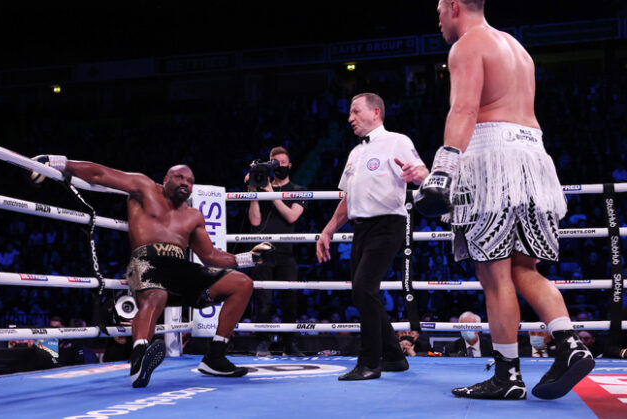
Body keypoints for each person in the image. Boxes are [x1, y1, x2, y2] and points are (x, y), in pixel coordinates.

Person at [418, 0, 594, 399]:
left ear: (456, 6)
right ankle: (569, 343)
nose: (439, 18)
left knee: (495, 277)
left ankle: (507, 376)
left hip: (492, 162)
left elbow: (464, 109)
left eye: (441, 10)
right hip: (534, 160)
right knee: (524, 270)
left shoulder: (467, 44)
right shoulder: (518, 48)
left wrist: (443, 170)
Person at [32, 156, 272, 387]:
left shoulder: (193, 216)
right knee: (156, 295)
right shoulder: (144, 187)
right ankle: (139, 358)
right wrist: (57, 162)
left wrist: (248, 258)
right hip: (146, 260)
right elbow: (99, 174)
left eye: (190, 182)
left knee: (241, 283)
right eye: (179, 178)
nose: (185, 184)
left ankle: (215, 358)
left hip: (182, 269)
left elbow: (210, 256)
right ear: (166, 179)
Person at [316, 92, 428, 380]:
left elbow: (422, 172)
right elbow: (347, 199)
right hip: (361, 228)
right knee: (361, 291)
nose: (350, 118)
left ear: (375, 112)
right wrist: (328, 230)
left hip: (388, 223)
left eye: (355, 111)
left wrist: (418, 175)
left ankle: (369, 362)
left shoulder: (397, 141)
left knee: (365, 288)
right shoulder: (355, 152)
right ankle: (393, 356)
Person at [246, 146, 306, 357]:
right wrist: (254, 192)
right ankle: (262, 342)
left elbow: (291, 216)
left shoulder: (298, 189)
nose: (279, 165)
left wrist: (271, 194)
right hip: (263, 251)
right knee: (263, 299)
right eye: (275, 162)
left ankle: (289, 343)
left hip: (286, 253)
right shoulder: (262, 189)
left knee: (290, 299)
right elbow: (255, 221)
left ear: (289, 165)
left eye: (283, 162)